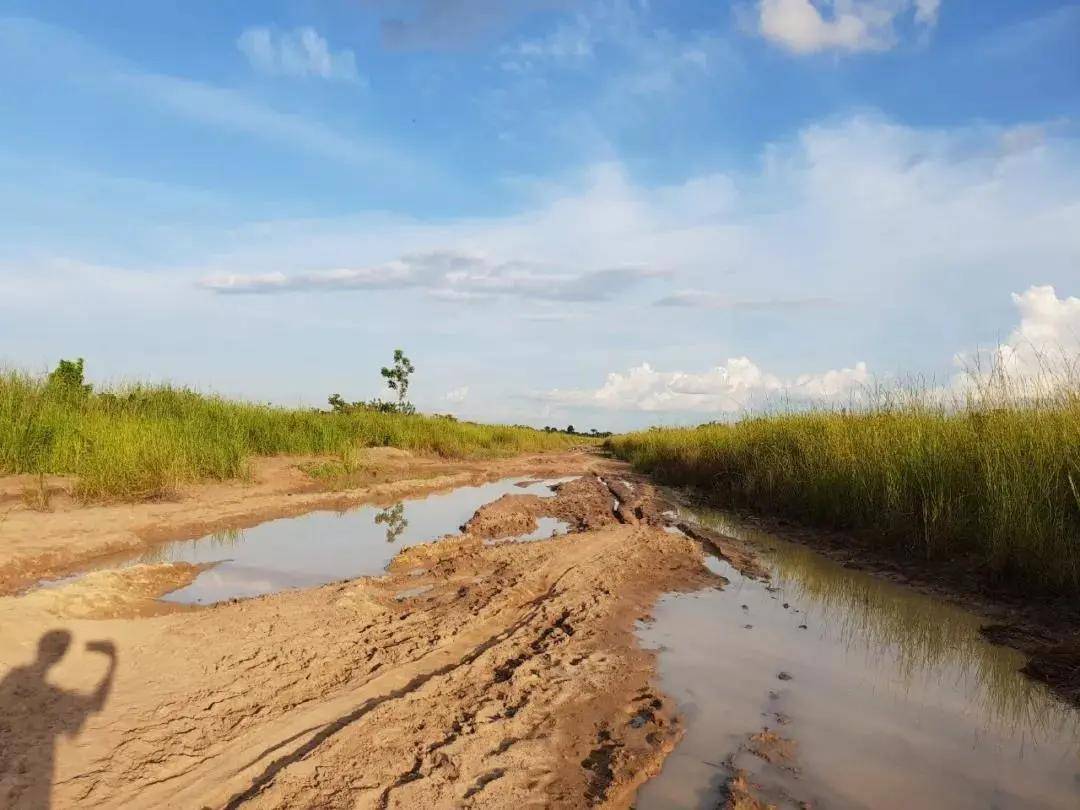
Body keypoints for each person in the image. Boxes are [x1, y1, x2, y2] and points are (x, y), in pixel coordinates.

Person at [0, 630, 116, 809]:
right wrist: (112, 662)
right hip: (33, 777)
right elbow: (96, 704)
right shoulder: (50, 691)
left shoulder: (15, 676)